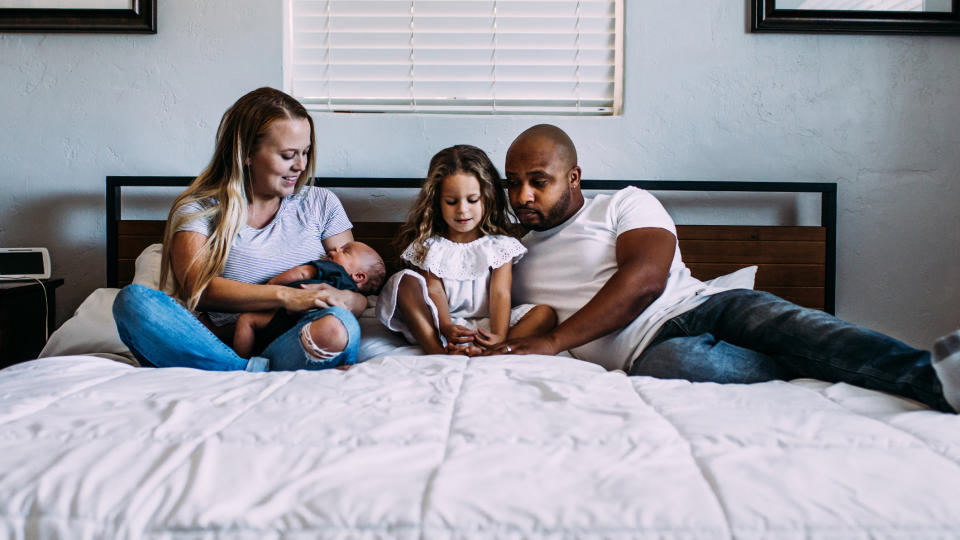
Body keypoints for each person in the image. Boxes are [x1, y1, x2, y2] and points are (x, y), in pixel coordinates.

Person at [486, 123, 960, 413]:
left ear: (573, 177)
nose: (522, 196)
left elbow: (646, 280)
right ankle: (799, 365)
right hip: (647, 352)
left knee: (801, 327)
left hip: (707, 305)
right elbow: (468, 305)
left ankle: (939, 378)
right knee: (678, 364)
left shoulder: (625, 204)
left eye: (538, 181)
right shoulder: (513, 260)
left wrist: (552, 343)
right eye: (514, 184)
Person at [112, 87, 368, 372]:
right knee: (132, 302)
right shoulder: (201, 209)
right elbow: (199, 288)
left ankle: (236, 373)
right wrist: (288, 296)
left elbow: (357, 293)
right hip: (221, 345)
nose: (300, 165)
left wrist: (345, 299)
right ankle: (242, 369)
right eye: (287, 155)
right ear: (246, 153)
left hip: (298, 342)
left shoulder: (321, 203)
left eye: (305, 152)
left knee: (339, 326)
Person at [376, 144, 556, 355]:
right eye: (451, 202)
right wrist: (445, 327)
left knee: (545, 314)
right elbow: (434, 290)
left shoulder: (498, 245)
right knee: (403, 281)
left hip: (489, 325)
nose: (462, 210)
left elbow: (500, 292)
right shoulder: (430, 245)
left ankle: (497, 349)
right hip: (442, 326)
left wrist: (499, 334)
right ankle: (438, 350)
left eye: (472, 200)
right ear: (438, 202)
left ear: (487, 197)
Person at [233, 241, 386, 358]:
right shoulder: (348, 294)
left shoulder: (333, 269)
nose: (334, 249)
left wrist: (270, 285)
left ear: (359, 276)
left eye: (345, 251)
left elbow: (302, 273)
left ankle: (242, 363)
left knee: (246, 319)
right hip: (312, 327)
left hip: (289, 311)